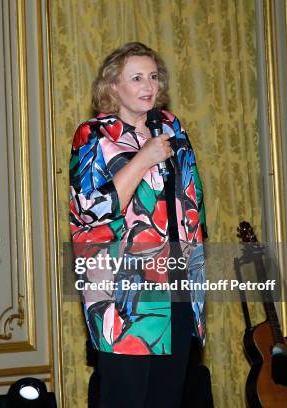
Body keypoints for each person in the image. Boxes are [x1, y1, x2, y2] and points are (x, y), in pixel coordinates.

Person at [69, 42, 207, 407]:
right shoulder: (94, 135)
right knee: (126, 397)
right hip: (125, 292)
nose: (149, 85)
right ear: (113, 86)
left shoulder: (172, 128)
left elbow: (192, 205)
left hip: (177, 282)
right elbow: (92, 209)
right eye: (136, 77)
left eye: (153, 76)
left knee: (168, 397)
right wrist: (143, 158)